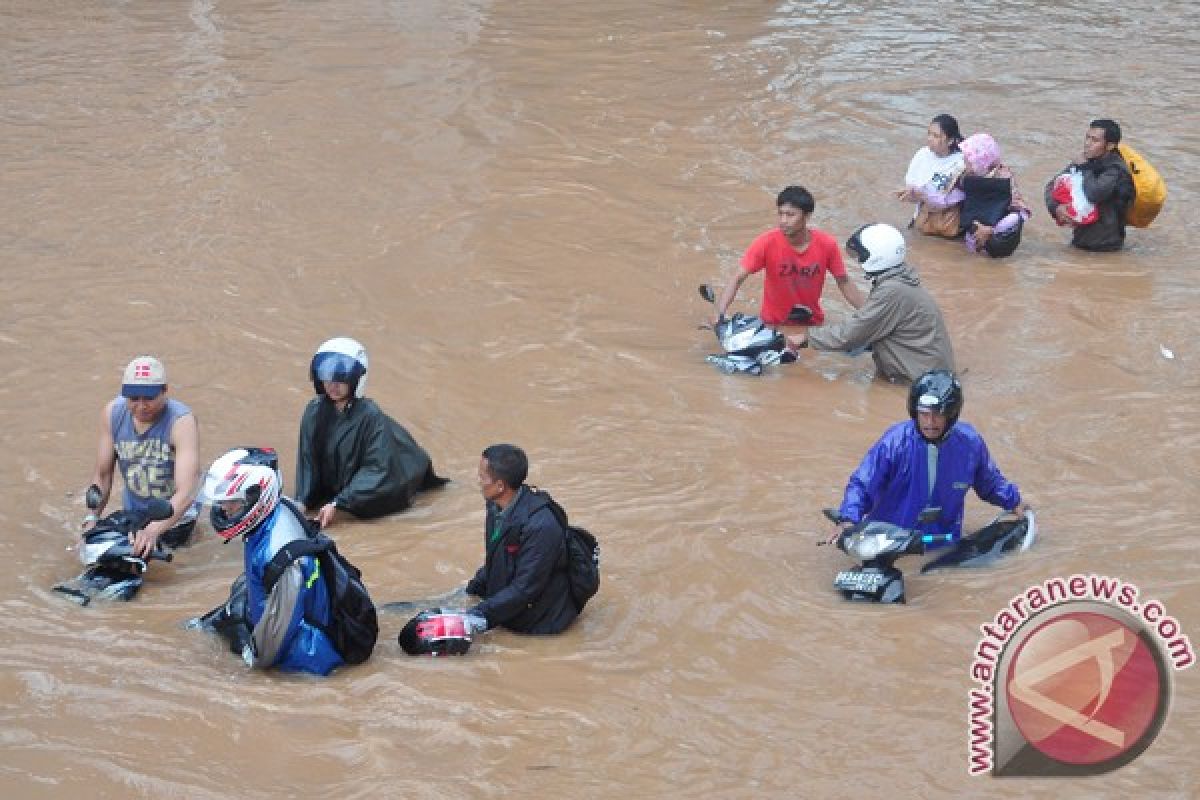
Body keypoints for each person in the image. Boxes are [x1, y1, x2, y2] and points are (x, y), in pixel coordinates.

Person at [826, 370, 1028, 545]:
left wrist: (1015, 502)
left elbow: (990, 482)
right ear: (915, 412)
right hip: (889, 541)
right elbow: (863, 484)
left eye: (938, 415)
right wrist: (847, 520)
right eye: (924, 414)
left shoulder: (970, 443)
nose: (930, 422)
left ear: (952, 415)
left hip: (943, 542)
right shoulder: (894, 442)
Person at [199, 447, 344, 676]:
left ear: (257, 495)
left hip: (307, 659)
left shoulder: (281, 554)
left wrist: (251, 667)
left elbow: (278, 636)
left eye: (233, 502)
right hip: (293, 618)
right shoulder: (280, 509)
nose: (226, 510)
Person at [293, 337, 446, 529]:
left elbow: (378, 469)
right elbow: (308, 460)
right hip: (341, 491)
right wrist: (302, 502)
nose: (333, 384)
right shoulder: (314, 411)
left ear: (356, 380)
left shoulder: (371, 416)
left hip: (384, 486)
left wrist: (339, 503)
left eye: (341, 378)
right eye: (328, 377)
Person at [794, 224, 955, 383]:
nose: (858, 260)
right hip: (931, 375)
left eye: (861, 254)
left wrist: (806, 338)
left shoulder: (892, 291)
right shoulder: (901, 281)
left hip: (916, 381)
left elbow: (851, 333)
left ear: (876, 256)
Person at [712, 185, 865, 350]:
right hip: (772, 325)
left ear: (806, 216)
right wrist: (719, 314)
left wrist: (870, 314)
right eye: (780, 214)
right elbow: (738, 278)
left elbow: (843, 282)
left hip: (811, 326)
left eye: (790, 215)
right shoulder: (766, 242)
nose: (783, 221)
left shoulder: (827, 244)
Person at [84, 356, 200, 559]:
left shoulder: (181, 422)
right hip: (135, 513)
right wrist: (91, 519)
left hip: (174, 516)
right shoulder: (112, 413)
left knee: (146, 558)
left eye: (149, 398)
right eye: (133, 398)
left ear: (164, 391)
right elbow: (102, 475)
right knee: (97, 546)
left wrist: (153, 530)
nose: (141, 406)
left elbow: (187, 491)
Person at [465, 444, 578, 635]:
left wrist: (474, 616)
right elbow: (495, 557)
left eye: (482, 477)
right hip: (509, 604)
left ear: (500, 486)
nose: (478, 481)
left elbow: (525, 589)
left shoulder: (541, 525)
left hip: (540, 622)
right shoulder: (495, 505)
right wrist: (472, 591)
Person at [1043, 118, 1135, 252]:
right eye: (1087, 137)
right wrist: (1056, 208)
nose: (1087, 143)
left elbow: (1094, 193)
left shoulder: (1116, 169)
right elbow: (1052, 186)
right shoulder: (1087, 160)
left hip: (1107, 247)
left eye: (1095, 140)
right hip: (1080, 240)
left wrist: (1085, 167)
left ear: (1110, 146)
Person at [955, 133, 1032, 258]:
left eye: (968, 159)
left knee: (1014, 218)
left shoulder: (1003, 176)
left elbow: (1021, 212)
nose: (964, 162)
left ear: (980, 161)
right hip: (973, 228)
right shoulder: (966, 175)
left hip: (997, 231)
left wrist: (992, 230)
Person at [896, 114, 966, 238]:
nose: (929, 138)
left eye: (936, 136)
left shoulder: (962, 162)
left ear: (950, 140)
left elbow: (953, 199)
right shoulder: (922, 155)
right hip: (923, 220)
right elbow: (913, 192)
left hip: (948, 225)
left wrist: (922, 195)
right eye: (929, 134)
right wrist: (909, 194)